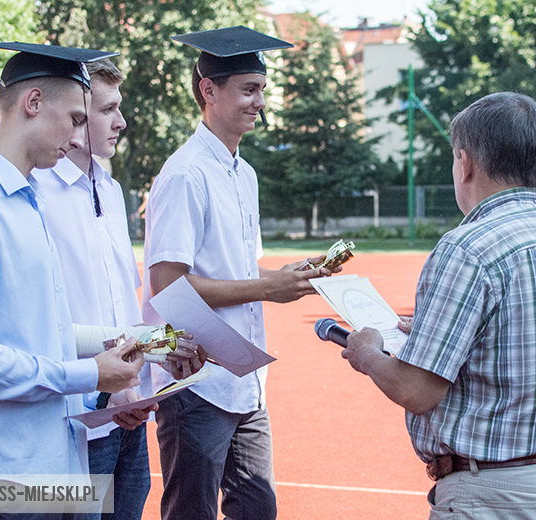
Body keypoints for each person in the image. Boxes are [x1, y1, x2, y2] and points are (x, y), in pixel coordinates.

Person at [342, 92, 536, 519]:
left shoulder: (467, 247)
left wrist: (367, 353)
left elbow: (416, 390)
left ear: (465, 162)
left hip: (492, 491)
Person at [0, 42, 145, 518]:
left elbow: (41, 333)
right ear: (33, 103)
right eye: (76, 118)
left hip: (58, 460)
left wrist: (125, 346)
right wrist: (92, 373)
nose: (79, 137)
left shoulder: (25, 199)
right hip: (2, 476)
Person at [141, 26, 338, 520]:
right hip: (199, 381)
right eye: (249, 89)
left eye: (262, 90)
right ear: (209, 90)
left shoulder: (243, 172)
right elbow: (167, 287)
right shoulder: (185, 174)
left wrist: (286, 275)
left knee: (257, 509)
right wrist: (267, 288)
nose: (260, 102)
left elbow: (238, 269)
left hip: (246, 383)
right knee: (192, 512)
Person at [32, 58, 205, 520]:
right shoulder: (34, 194)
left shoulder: (109, 188)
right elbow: (41, 319)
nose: (121, 122)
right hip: (71, 419)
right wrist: (106, 389)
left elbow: (120, 304)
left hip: (128, 407)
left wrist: (160, 350)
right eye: (108, 109)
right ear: (73, 112)